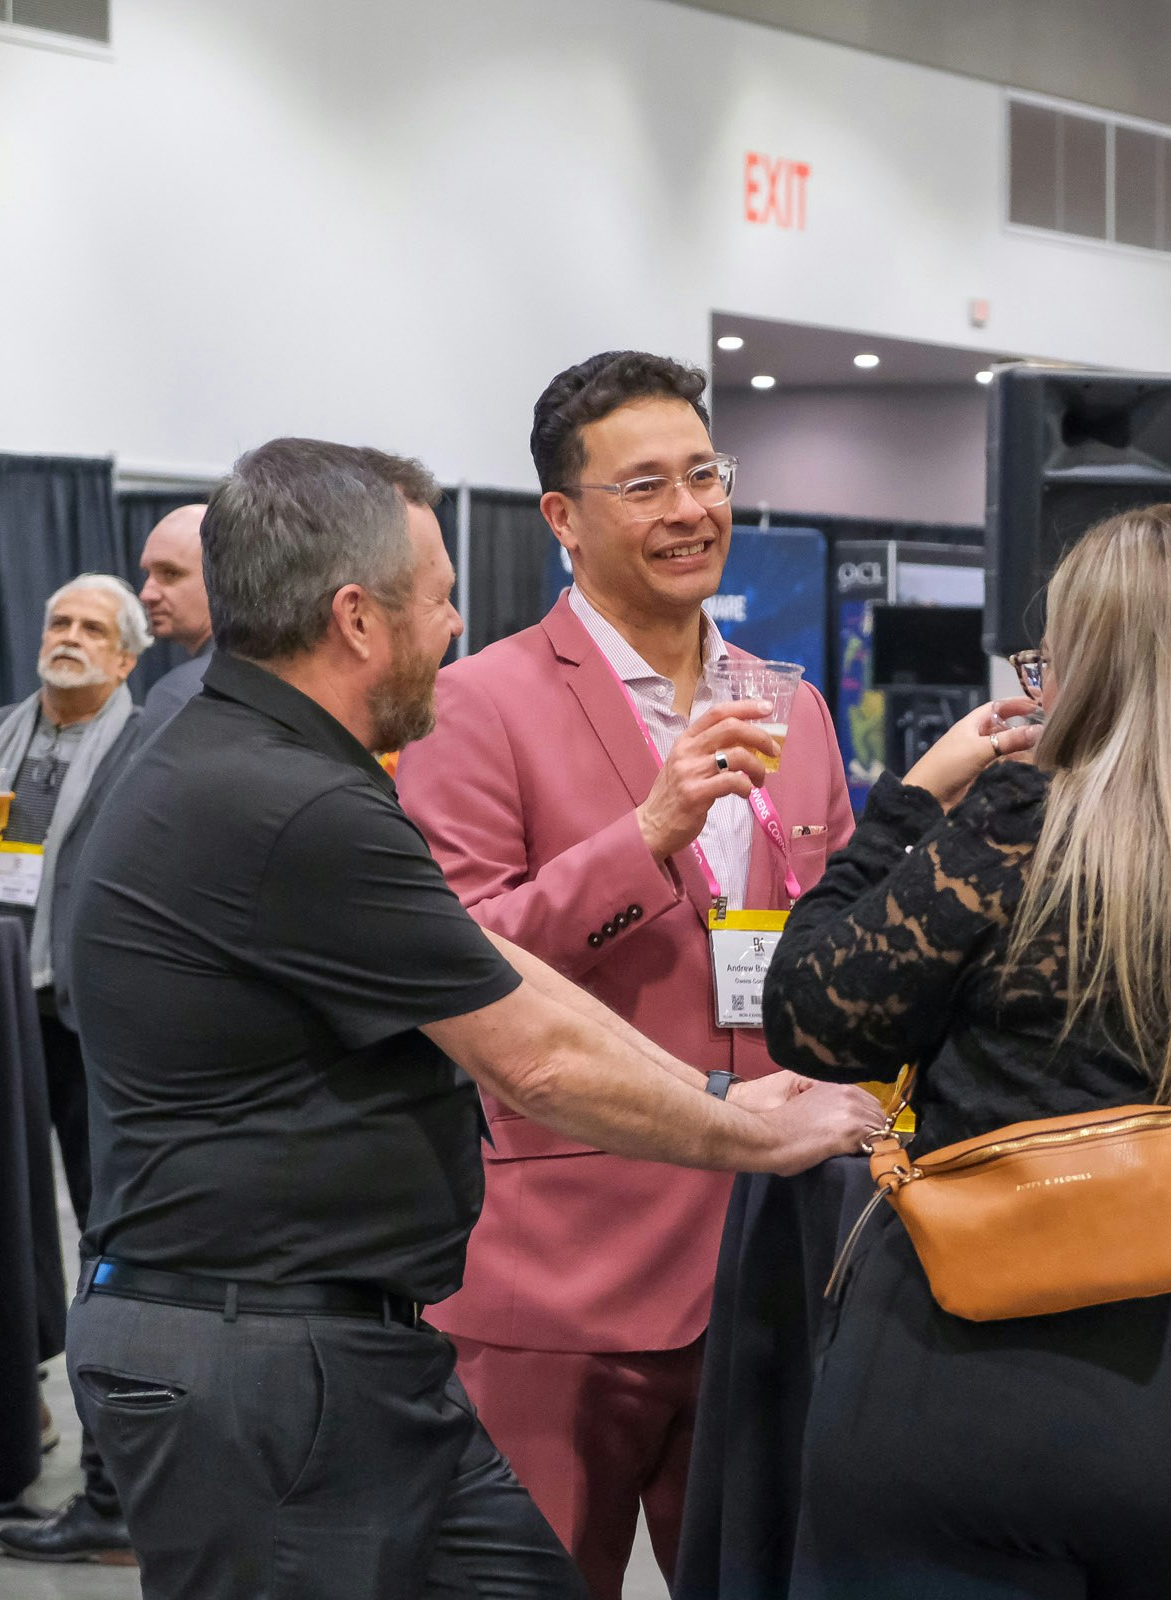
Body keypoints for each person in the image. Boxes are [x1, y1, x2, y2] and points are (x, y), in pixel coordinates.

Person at [63, 436, 879, 1599]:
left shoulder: (260, 754)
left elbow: (491, 968)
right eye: (439, 599)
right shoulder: (295, 803)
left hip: (334, 1346)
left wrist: (721, 1093)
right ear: (357, 619)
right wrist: (757, 1131)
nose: (455, 627)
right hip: (264, 1359)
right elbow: (531, 1056)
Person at [766, 503, 1171, 1600]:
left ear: (1091, 669)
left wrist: (908, 804)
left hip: (971, 1379)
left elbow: (812, 1014)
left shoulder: (1025, 827)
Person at [397, 349, 855, 1593]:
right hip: (565, 1271)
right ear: (563, 517)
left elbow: (830, 942)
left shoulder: (792, 707)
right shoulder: (474, 704)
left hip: (772, 1253)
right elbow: (459, 964)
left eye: (705, 475)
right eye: (645, 486)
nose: (690, 509)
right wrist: (644, 836)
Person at [0, 574, 152, 1565]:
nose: (67, 636)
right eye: (58, 620)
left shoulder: (148, 743)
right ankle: (5, 1413)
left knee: (105, 1223)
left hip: (83, 1018)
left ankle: (119, 1468)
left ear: (126, 656)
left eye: (91, 627)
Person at [137, 503, 211, 732]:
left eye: (170, 573)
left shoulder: (183, 695)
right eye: (148, 574)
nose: (146, 594)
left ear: (224, 577)